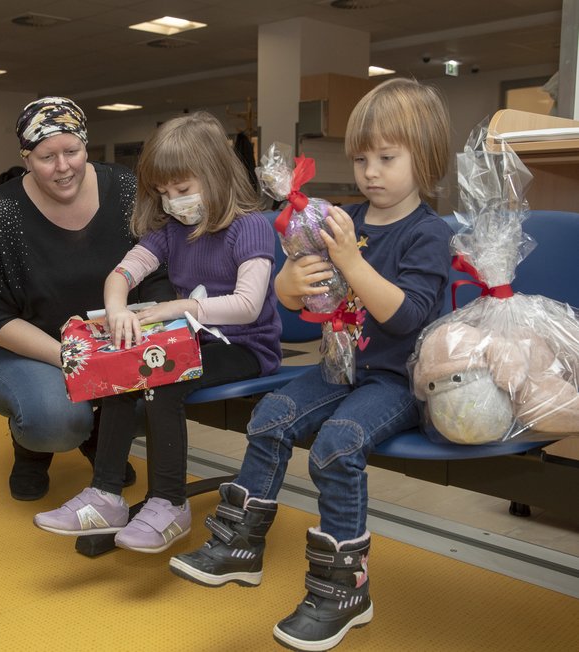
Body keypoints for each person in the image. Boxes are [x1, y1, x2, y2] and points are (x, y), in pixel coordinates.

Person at [169, 78, 453, 651]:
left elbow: (404, 317)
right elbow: (301, 301)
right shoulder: (338, 216)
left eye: (387, 157)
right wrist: (289, 282)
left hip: (398, 378)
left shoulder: (429, 234)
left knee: (340, 441)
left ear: (425, 160)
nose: (370, 171)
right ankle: (239, 545)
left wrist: (351, 258)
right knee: (271, 413)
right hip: (338, 366)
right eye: (360, 158)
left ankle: (344, 590)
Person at [32, 112, 282, 553]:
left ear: (216, 175)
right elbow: (121, 275)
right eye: (164, 193)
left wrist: (180, 307)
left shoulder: (250, 227)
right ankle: (107, 495)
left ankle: (169, 502)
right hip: (194, 342)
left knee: (160, 377)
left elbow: (247, 306)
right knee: (122, 369)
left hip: (245, 347)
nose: (172, 202)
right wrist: (116, 311)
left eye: (182, 190)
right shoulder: (171, 232)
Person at [0, 96, 174, 501]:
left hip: (115, 339)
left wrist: (152, 327)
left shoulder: (126, 189)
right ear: (26, 158)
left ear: (86, 146)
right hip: (30, 350)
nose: (63, 167)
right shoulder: (2, 211)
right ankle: (31, 450)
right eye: (47, 156)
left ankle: (99, 436)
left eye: (72, 151)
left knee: (163, 386)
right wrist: (73, 357)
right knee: (57, 418)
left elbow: (157, 271)